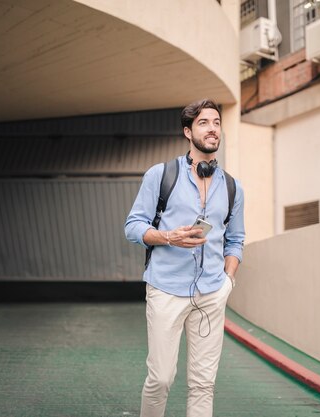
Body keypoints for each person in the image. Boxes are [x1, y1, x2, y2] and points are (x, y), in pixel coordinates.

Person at [124, 98, 245, 417]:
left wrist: (227, 283)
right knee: (161, 379)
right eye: (204, 123)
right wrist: (168, 236)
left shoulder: (233, 187)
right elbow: (133, 226)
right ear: (187, 131)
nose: (213, 129)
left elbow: (236, 240)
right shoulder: (160, 175)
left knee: (204, 384)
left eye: (217, 122)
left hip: (211, 295)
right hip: (165, 290)